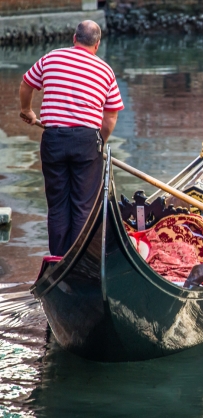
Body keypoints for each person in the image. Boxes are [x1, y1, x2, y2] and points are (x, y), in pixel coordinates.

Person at [19, 20, 124, 257]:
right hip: (87, 141)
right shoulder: (105, 71)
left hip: (53, 138)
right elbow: (110, 118)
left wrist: (27, 111)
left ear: (73, 38)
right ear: (97, 45)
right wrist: (100, 142)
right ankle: (78, 261)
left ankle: (58, 260)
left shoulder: (51, 58)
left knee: (57, 205)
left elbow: (26, 84)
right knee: (83, 206)